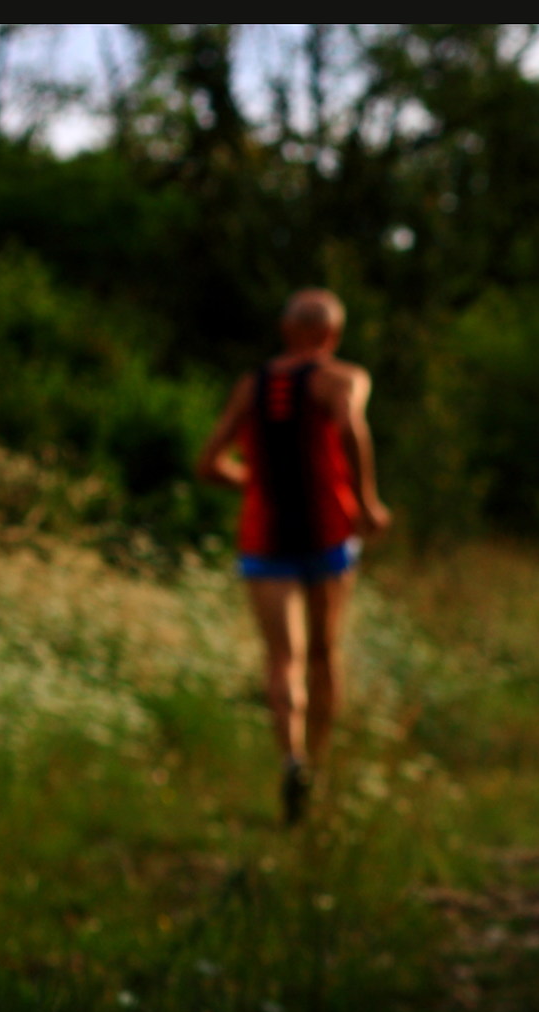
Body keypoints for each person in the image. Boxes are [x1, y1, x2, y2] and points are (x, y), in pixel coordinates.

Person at [195, 288, 393, 825]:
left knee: (283, 659)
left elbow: (210, 463)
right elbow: (351, 426)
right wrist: (368, 503)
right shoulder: (344, 379)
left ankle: (291, 758)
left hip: (264, 539)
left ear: (286, 331)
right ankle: (320, 769)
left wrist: (254, 484)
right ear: (332, 335)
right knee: (325, 654)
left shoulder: (251, 386)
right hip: (327, 534)